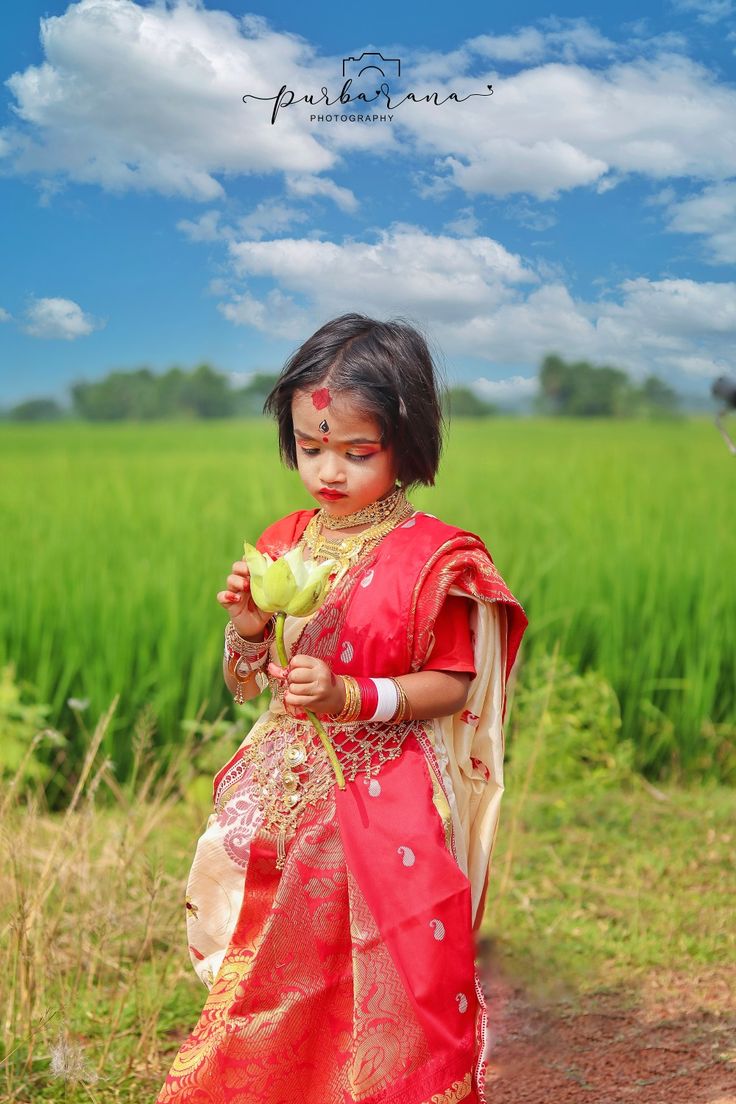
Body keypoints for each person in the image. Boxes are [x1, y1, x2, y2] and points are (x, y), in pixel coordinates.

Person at [155, 314, 528, 1104]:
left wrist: (353, 696)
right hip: (279, 787)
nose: (329, 470)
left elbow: (455, 683)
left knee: (380, 959)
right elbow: (246, 685)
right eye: (310, 446)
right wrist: (250, 628)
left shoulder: (434, 555)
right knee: (273, 954)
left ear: (408, 443)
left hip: (384, 789)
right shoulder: (284, 539)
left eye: (358, 452)